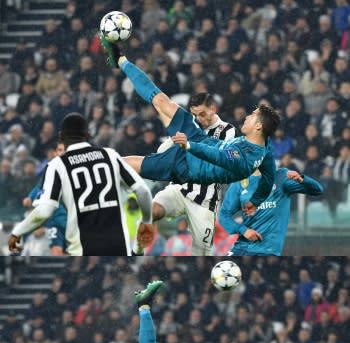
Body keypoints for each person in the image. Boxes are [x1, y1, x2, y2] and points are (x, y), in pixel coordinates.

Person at [101, 41, 279, 211]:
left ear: (259, 127)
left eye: (253, 117)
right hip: (199, 139)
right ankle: (122, 61)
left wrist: (189, 145)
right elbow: (268, 179)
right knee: (162, 101)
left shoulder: (243, 160)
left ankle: (97, 167)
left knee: (136, 165)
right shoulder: (265, 151)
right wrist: (255, 201)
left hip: (186, 165)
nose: (247, 117)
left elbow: (218, 156)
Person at [8, 112, 154, 258]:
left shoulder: (57, 165)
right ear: (88, 134)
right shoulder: (110, 155)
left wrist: (18, 231)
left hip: (83, 250)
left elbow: (44, 211)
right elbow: (143, 191)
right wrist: (146, 221)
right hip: (117, 247)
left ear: (61, 137)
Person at [137, 92, 236, 257]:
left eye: (202, 114)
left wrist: (188, 143)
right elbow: (162, 150)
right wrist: (173, 141)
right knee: (152, 211)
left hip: (204, 200)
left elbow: (217, 156)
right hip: (178, 188)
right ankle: (138, 248)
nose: (199, 119)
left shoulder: (227, 131)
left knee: (201, 253)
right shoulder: (191, 127)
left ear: (213, 109)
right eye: (195, 115)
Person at [219, 167, 324, 257]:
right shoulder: (239, 183)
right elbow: (224, 214)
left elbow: (317, 190)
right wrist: (243, 230)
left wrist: (302, 180)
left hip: (267, 250)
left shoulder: (280, 176)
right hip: (241, 247)